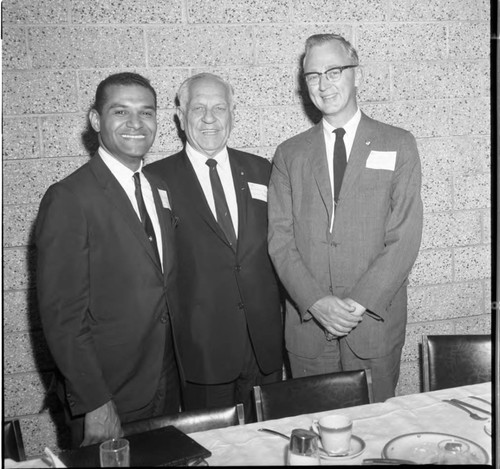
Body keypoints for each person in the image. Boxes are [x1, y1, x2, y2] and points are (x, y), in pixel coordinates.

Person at [268, 34, 423, 402]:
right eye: (312, 75)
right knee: (316, 432)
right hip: (308, 329)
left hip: (372, 325)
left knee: (374, 437)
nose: (323, 84)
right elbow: (280, 239)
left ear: (357, 74)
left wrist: (359, 302)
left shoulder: (398, 143)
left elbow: (404, 235)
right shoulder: (289, 154)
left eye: (334, 71)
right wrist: (315, 301)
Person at [36, 72, 181, 447]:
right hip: (109, 391)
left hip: (166, 380)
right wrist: (95, 402)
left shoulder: (158, 187)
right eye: (121, 111)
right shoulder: (69, 198)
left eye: (146, 113)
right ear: (96, 121)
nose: (136, 123)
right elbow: (63, 317)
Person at [145, 73, 283, 421]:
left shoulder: (262, 170)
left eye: (219, 107)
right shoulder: (154, 181)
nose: (209, 118)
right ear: (179, 114)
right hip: (201, 352)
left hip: (263, 348)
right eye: (198, 108)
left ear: (232, 113)